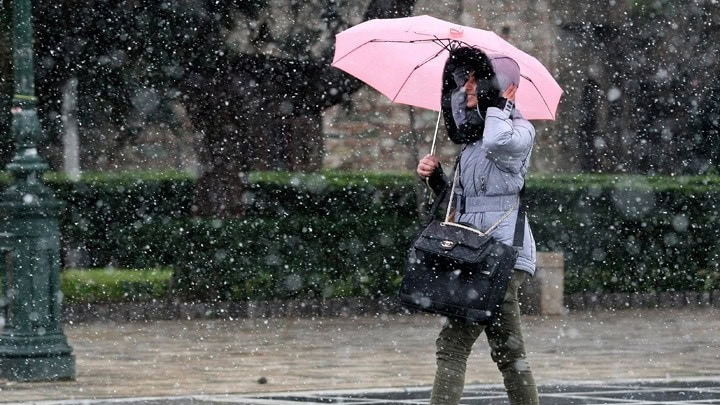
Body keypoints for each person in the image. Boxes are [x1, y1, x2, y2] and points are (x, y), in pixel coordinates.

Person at [416, 46, 540, 405]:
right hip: (473, 253)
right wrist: (436, 179)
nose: (466, 86)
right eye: (463, 79)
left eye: (475, 79)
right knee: (509, 353)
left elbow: (498, 141)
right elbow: (460, 205)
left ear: (497, 86)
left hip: (500, 255)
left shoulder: (519, 131)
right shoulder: (471, 144)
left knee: (454, 345)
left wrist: (500, 105)